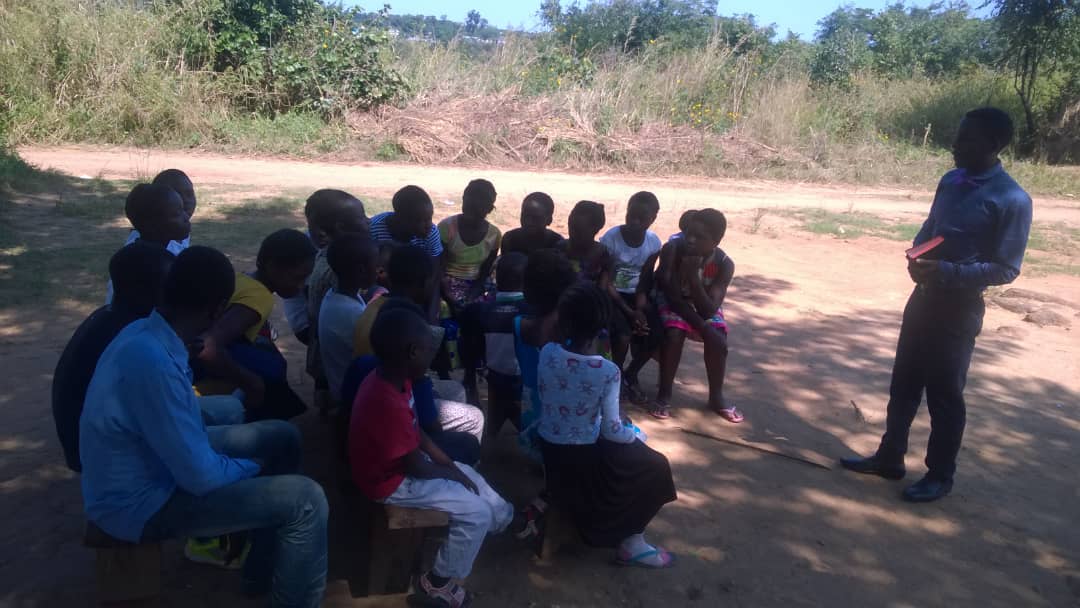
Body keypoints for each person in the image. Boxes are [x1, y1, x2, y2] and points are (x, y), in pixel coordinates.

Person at [80, 246, 328, 607]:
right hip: (139, 503)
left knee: (282, 437)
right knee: (306, 500)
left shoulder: (147, 333)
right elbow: (201, 477)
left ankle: (261, 573)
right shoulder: (151, 361)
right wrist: (252, 469)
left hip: (152, 465)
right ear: (217, 310)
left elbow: (180, 429)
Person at [841, 107, 1032, 503]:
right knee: (904, 382)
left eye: (966, 139)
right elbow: (931, 228)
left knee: (945, 395)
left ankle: (940, 475)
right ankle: (890, 457)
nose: (955, 145)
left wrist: (944, 271)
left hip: (958, 310)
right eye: (958, 136)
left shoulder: (1012, 199)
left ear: (993, 145)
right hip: (923, 299)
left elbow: (1006, 269)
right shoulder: (951, 181)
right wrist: (917, 255)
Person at [349, 306, 513, 607]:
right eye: (428, 350)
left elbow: (418, 434)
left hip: (401, 469)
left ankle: (502, 520)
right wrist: (453, 475)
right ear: (412, 352)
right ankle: (438, 582)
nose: (432, 355)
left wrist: (451, 466)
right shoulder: (386, 401)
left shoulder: (395, 378)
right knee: (475, 512)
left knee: (467, 473)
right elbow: (417, 467)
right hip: (390, 484)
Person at [537, 281, 677, 568]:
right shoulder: (607, 371)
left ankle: (627, 538)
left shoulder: (548, 353)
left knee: (640, 458)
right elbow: (610, 429)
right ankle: (632, 541)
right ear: (602, 327)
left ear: (562, 322)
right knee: (656, 466)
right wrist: (636, 435)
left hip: (549, 445)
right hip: (585, 455)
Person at [53, 242, 175, 472]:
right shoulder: (131, 336)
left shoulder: (108, 315)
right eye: (169, 285)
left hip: (86, 438)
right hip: (100, 452)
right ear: (143, 289)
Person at [353, 245, 485, 441]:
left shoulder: (377, 304)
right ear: (424, 283)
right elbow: (417, 379)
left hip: (370, 390)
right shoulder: (409, 324)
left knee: (455, 390)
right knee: (474, 417)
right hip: (394, 399)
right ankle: (449, 455)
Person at [341, 299, 481, 466]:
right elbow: (430, 427)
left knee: (456, 390)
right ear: (413, 351)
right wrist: (421, 378)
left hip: (372, 443)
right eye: (428, 347)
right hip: (399, 464)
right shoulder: (406, 380)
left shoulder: (368, 365)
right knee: (474, 421)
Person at [196, 229, 315, 421]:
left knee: (269, 353)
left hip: (206, 349)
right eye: (298, 278)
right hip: (197, 364)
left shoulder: (243, 279)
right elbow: (207, 346)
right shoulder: (259, 297)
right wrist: (250, 382)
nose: (301, 286)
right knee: (271, 369)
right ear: (272, 266)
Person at [649, 209, 740, 423]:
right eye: (689, 233)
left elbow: (709, 309)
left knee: (719, 338)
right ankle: (664, 393)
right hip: (673, 301)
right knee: (674, 332)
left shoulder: (724, 264)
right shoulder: (672, 250)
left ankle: (716, 396)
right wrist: (704, 328)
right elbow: (672, 297)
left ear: (716, 241)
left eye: (700, 237)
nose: (690, 240)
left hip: (701, 303)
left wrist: (693, 277)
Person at [303, 190, 369, 415]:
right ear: (341, 227)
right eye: (362, 217)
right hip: (332, 347)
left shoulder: (324, 256)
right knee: (338, 398)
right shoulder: (340, 269)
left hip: (322, 342)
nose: (368, 221)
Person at [514, 249, 578, 461]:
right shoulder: (578, 334)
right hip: (573, 432)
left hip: (533, 428)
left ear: (527, 291)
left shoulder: (518, 326)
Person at [600, 191, 663, 399]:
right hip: (611, 296)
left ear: (652, 219)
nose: (634, 222)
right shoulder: (611, 238)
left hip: (636, 296)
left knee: (655, 332)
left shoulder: (653, 243)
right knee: (623, 335)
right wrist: (628, 311)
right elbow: (606, 280)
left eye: (641, 218)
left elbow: (645, 279)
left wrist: (639, 309)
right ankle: (614, 381)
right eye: (631, 215)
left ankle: (630, 374)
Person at [460, 253, 530, 436]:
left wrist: (471, 381)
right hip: (524, 379)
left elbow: (469, 347)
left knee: (495, 419)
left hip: (493, 375)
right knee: (523, 423)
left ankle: (486, 449)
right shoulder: (532, 311)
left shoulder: (477, 310)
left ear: (496, 280)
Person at [105, 183, 191, 303]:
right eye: (176, 214)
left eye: (183, 210)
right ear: (152, 224)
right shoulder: (157, 265)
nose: (186, 217)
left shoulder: (130, 254)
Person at [318, 233, 377, 407]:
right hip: (358, 397)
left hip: (344, 387)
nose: (379, 270)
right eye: (376, 266)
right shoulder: (352, 314)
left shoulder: (334, 295)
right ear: (361, 270)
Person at [438, 178, 502, 314]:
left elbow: (485, 272)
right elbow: (439, 269)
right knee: (443, 308)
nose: (469, 216)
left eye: (476, 212)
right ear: (463, 200)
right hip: (446, 284)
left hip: (476, 284)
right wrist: (449, 296)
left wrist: (473, 294)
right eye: (467, 209)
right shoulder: (446, 227)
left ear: (489, 209)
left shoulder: (494, 235)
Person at [501, 192, 564, 256]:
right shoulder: (510, 239)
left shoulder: (557, 244)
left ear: (549, 220)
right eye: (525, 216)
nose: (529, 222)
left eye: (536, 218)